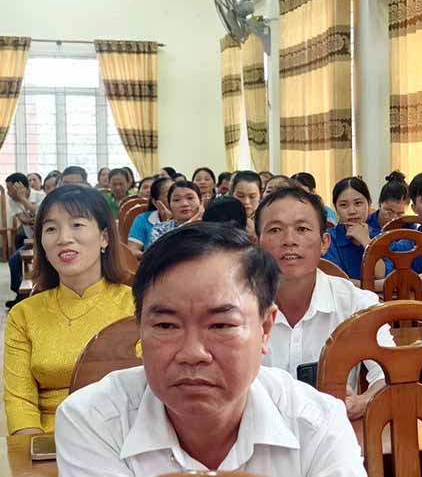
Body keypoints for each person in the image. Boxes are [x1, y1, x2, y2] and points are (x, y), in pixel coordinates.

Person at [54, 223, 366, 476]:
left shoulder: (317, 424)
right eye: (166, 326)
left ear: (265, 328)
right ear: (141, 328)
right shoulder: (93, 421)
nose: (192, 353)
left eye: (220, 325)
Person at [4, 185, 134, 435]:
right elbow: (19, 401)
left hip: (124, 438)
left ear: (104, 238)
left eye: (77, 225)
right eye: (51, 229)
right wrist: (34, 450)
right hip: (49, 440)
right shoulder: (23, 314)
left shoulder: (138, 306)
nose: (63, 238)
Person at [257, 186, 391, 418]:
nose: (289, 240)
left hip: (334, 431)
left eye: (302, 229)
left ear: (324, 242)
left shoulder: (357, 304)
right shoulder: (234, 307)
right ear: (256, 244)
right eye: (275, 230)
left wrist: (363, 401)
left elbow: (391, 372)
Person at [323, 176, 386, 286]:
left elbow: (383, 275)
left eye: (358, 203)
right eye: (343, 205)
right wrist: (375, 285)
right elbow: (335, 282)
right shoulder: (327, 239)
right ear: (336, 208)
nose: (352, 211)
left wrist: (366, 241)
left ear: (369, 204)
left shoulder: (381, 237)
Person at [5, 173, 46, 308]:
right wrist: (35, 219)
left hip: (45, 240)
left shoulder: (41, 196)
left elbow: (40, 214)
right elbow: (24, 220)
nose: (8, 193)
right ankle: (19, 294)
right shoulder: (12, 200)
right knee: (14, 261)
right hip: (32, 241)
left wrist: (23, 199)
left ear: (20, 187)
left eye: (10, 189)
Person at [126, 177, 172, 259]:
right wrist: (151, 257)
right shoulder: (143, 219)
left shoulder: (188, 218)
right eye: (168, 195)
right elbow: (132, 250)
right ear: (155, 202)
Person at [148, 181, 202, 245]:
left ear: (201, 201)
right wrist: (189, 223)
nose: (184, 204)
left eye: (190, 198)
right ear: (169, 205)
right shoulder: (160, 229)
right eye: (177, 200)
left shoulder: (209, 227)